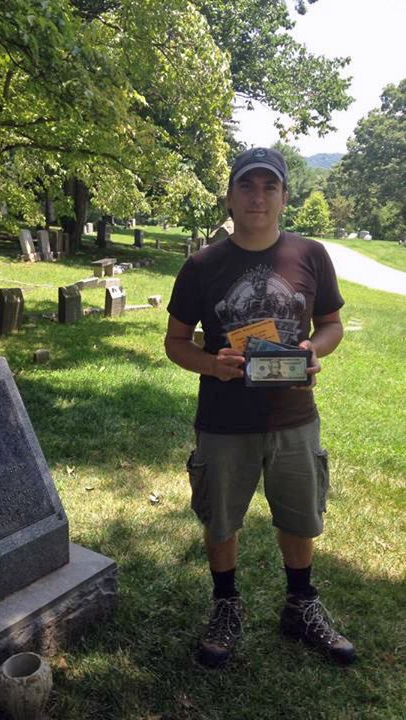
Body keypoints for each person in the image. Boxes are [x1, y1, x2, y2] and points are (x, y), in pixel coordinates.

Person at [164, 147, 355, 668]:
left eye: (270, 186)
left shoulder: (311, 255)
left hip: (294, 418)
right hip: (225, 421)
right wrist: (211, 364)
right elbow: (176, 341)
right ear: (229, 196)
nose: (258, 196)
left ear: (285, 197)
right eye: (247, 186)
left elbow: (332, 323)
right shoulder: (201, 266)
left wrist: (314, 349)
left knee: (298, 516)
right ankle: (226, 605)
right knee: (222, 519)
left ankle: (300, 605)